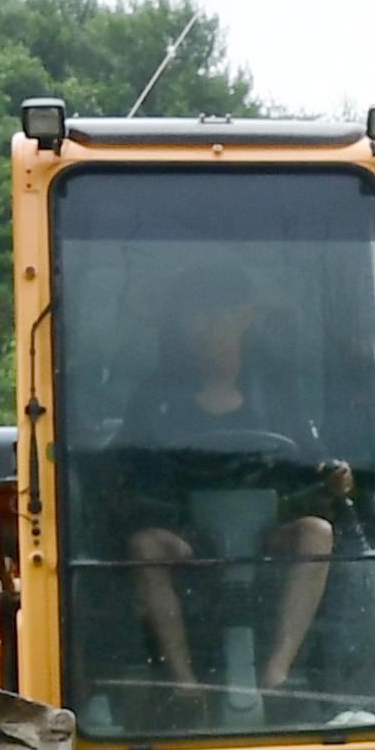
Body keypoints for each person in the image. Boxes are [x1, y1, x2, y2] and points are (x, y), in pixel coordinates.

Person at [117, 270, 351, 700]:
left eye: (220, 316)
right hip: (188, 541)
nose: (209, 329)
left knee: (317, 533)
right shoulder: (155, 397)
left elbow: (312, 458)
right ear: (183, 327)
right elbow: (125, 472)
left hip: (266, 540)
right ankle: (184, 684)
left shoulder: (277, 394)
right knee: (145, 545)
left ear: (244, 318)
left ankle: (278, 672)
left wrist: (333, 475)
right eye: (198, 318)